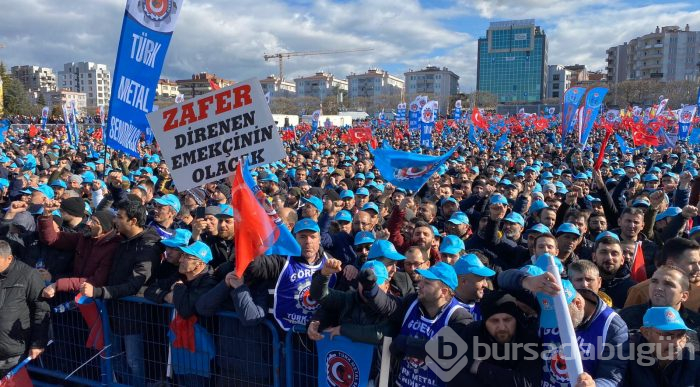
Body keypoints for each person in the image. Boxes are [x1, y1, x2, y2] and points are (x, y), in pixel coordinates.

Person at [362, 262, 473, 387]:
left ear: (443, 291)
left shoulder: (458, 317)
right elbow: (388, 304)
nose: (419, 285)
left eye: (427, 283)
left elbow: (447, 352)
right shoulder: (412, 302)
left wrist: (407, 344)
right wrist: (371, 289)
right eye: (422, 280)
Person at [450, 290, 541, 387]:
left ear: (516, 319)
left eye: (507, 320)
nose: (502, 327)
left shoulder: (528, 339)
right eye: (494, 321)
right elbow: (453, 373)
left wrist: (477, 366)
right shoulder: (473, 332)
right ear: (485, 322)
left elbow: (527, 383)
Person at [0, 240, 50, 377]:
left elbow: (41, 310)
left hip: (12, 350)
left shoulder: (28, 275)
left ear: (9, 258)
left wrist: (38, 342)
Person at [624, 307, 700, 386]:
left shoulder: (695, 364)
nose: (676, 343)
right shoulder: (625, 358)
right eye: (668, 335)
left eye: (681, 335)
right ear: (646, 333)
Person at [625, 238, 700, 311]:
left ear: (684, 296)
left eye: (699, 263)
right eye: (692, 263)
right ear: (671, 264)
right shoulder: (640, 291)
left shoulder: (698, 292)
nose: (698, 268)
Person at [453, 253, 496, 320]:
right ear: (463, 281)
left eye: (485, 279)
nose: (485, 284)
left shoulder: (487, 303)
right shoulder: (446, 310)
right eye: (481, 279)